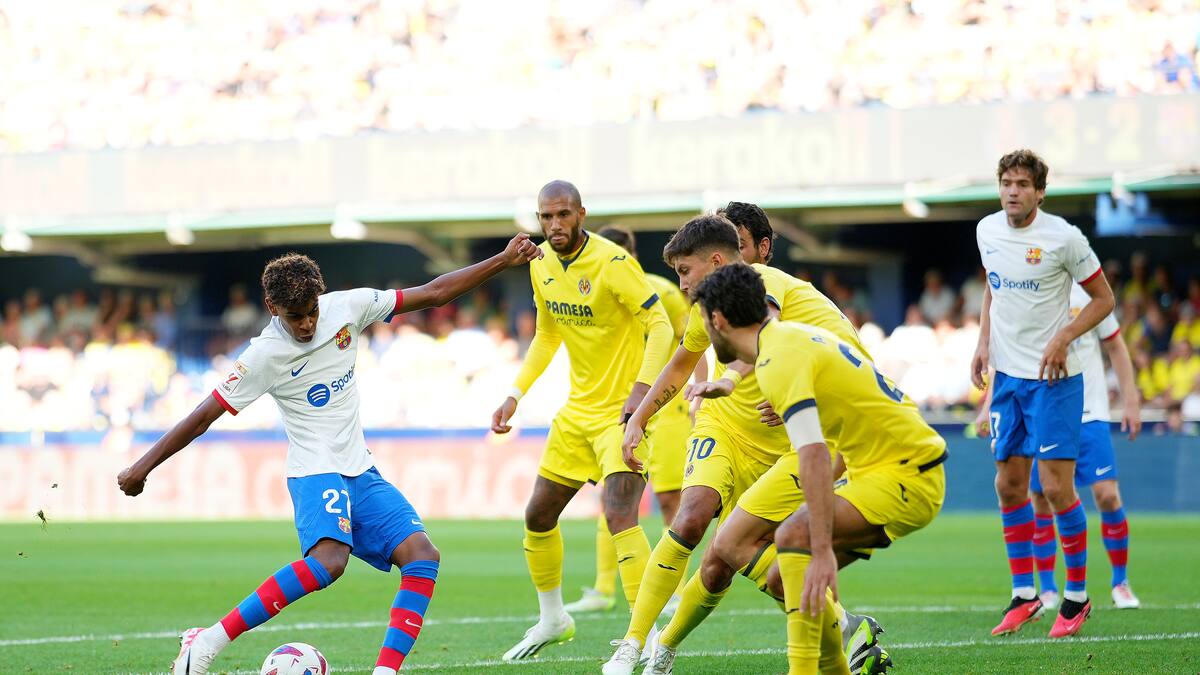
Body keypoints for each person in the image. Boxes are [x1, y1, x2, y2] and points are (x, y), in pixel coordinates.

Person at [117, 236, 544, 675]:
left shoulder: (348, 307)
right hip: (315, 469)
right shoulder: (264, 355)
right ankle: (206, 643)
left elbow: (434, 293)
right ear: (271, 307)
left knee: (422, 556)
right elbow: (203, 415)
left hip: (359, 467)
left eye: (311, 312)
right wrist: (140, 468)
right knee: (330, 561)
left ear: (321, 299)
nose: (306, 325)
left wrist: (504, 259)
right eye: (295, 317)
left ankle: (385, 672)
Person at [604, 213, 888, 675]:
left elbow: (767, 331)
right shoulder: (712, 303)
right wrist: (639, 417)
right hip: (726, 427)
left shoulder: (764, 284)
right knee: (693, 517)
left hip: (805, 441)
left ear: (717, 259)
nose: (681, 283)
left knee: (724, 560)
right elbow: (681, 364)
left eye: (684, 272)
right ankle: (632, 646)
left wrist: (774, 382)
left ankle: (839, 627)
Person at [694, 263, 946, 675]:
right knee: (781, 579)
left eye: (703, 321)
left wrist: (822, 546)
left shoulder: (778, 360)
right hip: (882, 469)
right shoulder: (785, 339)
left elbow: (812, 453)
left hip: (907, 472)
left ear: (718, 320)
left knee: (794, 535)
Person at [490, 180, 674, 661]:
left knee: (619, 515)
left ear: (581, 214)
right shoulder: (541, 264)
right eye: (546, 217)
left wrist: (641, 392)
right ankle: (554, 618)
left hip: (622, 415)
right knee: (537, 516)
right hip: (577, 414)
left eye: (564, 215)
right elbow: (547, 335)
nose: (554, 225)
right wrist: (515, 394)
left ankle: (646, 639)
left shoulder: (614, 263)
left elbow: (661, 325)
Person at [970, 149, 1115, 638]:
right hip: (1007, 380)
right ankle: (1025, 595)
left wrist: (1064, 338)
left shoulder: (1064, 238)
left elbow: (1104, 300)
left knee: (1055, 489)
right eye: (1006, 182)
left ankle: (1075, 598)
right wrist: (982, 340)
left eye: (1022, 184)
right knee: (1008, 487)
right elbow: (994, 289)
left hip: (1055, 381)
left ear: (1039, 191)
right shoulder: (986, 231)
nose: (1012, 191)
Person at [562, 225, 704, 617]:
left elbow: (692, 341)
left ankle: (672, 589)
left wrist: (699, 388)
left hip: (667, 409)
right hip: (617, 409)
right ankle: (604, 588)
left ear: (629, 253)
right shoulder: (593, 291)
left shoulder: (665, 292)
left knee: (671, 499)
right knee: (613, 497)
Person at [978, 283, 1143, 611]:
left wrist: (1131, 398)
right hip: (1046, 412)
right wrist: (987, 404)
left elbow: (1116, 346)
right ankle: (1049, 588)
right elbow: (1010, 353)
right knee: (1040, 498)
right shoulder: (1029, 292)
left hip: (1090, 411)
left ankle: (1120, 582)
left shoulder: (1088, 295)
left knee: (1107, 495)